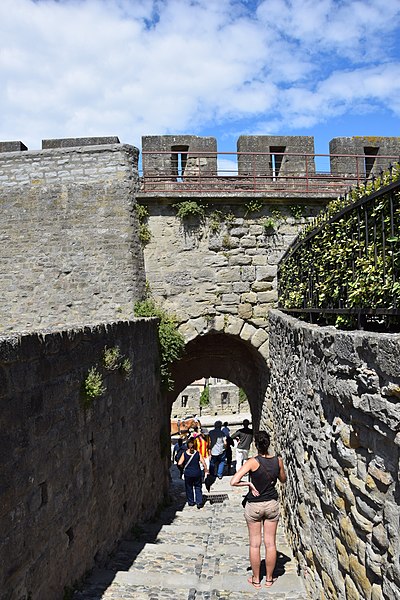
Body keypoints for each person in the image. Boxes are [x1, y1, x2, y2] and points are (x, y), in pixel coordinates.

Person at [230, 431, 287, 589]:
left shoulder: (252, 462)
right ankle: (269, 579)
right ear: (268, 443)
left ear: (256, 444)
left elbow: (234, 481)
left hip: (254, 505)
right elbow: (283, 479)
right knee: (270, 544)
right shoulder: (278, 461)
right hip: (271, 504)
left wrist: (248, 484)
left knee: (255, 544)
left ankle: (256, 580)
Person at [178, 436, 209, 508]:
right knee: (198, 487)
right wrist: (205, 469)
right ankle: (199, 502)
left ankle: (191, 502)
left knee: (189, 487)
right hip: (197, 473)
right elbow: (203, 462)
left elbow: (179, 463)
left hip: (188, 474)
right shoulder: (197, 453)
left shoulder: (184, 454)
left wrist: (183, 467)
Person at [205, 420, 227, 490]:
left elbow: (208, 440)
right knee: (222, 462)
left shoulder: (211, 432)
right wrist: (225, 448)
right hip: (221, 450)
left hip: (213, 450)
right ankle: (219, 474)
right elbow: (225, 442)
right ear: (220, 426)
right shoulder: (222, 433)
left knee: (212, 462)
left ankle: (212, 474)